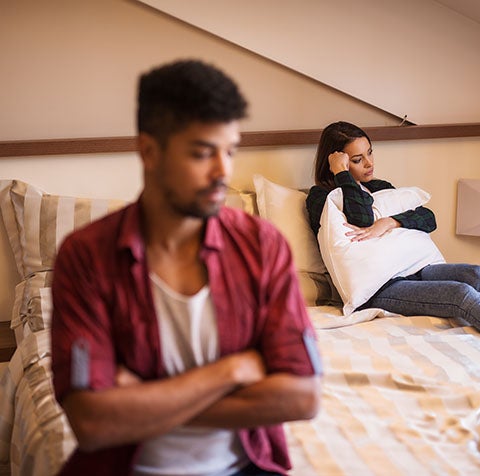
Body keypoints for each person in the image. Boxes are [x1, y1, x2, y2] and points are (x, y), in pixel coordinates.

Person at [51, 59, 322, 476]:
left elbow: (302, 397)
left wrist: (143, 400)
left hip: (247, 467)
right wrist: (229, 371)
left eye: (230, 151)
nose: (223, 171)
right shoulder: (86, 256)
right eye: (202, 153)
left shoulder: (263, 247)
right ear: (149, 151)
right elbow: (92, 424)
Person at [306, 121, 480, 360]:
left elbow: (428, 218)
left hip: (414, 267)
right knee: (460, 295)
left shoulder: (380, 188)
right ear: (336, 161)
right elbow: (361, 218)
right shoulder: (320, 198)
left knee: (475, 274)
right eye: (357, 160)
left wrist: (390, 222)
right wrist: (342, 175)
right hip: (380, 288)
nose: (369, 163)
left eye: (369, 153)